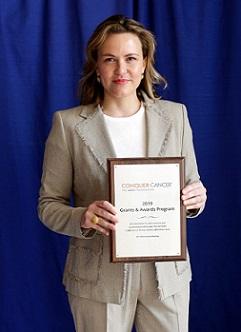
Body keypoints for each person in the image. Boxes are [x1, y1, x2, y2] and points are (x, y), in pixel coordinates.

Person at [38, 14, 207, 332]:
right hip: (98, 279)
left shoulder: (175, 116)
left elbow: (191, 185)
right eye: (110, 60)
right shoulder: (69, 125)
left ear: (145, 63)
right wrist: (83, 218)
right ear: (97, 67)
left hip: (166, 276)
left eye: (130, 58)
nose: (121, 70)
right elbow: (49, 205)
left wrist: (197, 198)